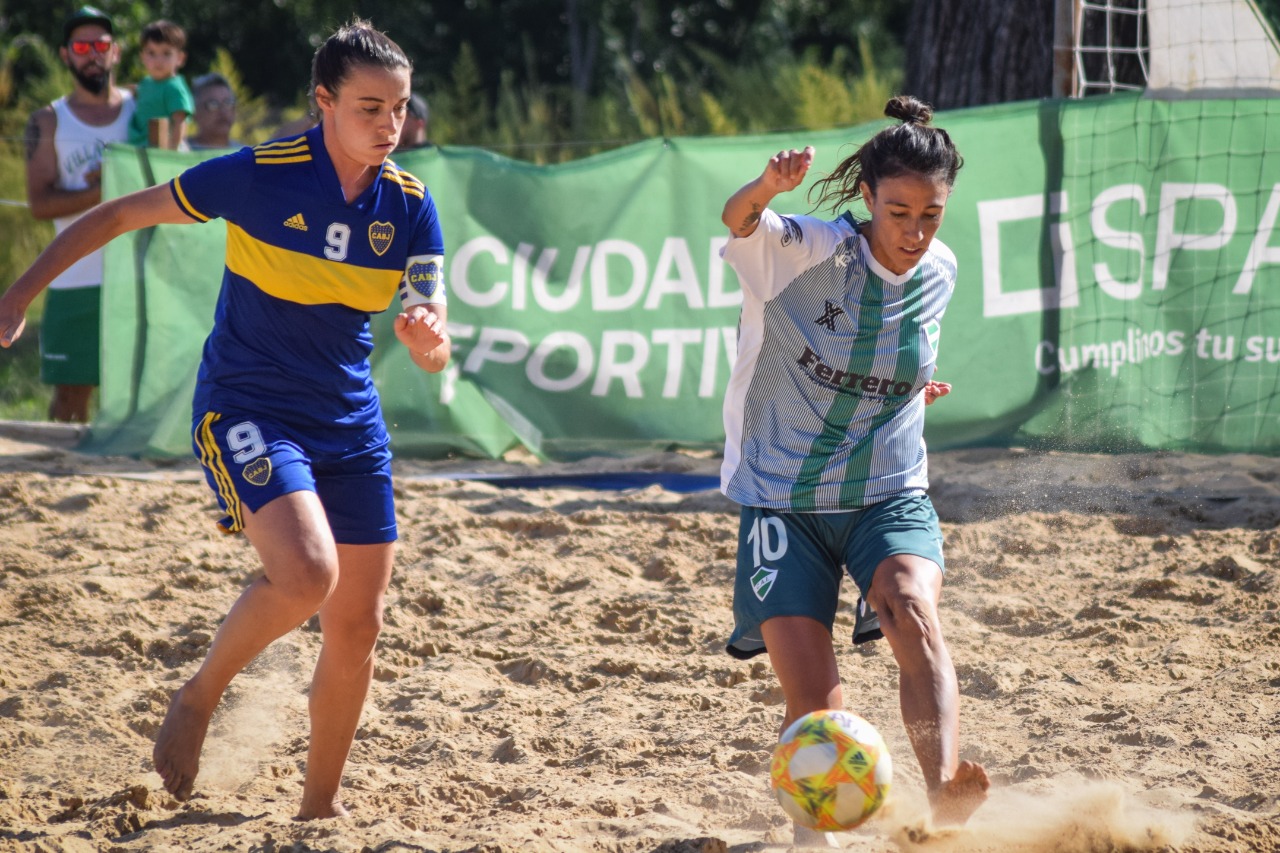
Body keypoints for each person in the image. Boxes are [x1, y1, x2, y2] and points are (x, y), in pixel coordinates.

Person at [0, 19, 448, 820]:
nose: (390, 126)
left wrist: (426, 341)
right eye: (370, 107)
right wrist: (15, 295)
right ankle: (200, 694)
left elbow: (430, 327)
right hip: (248, 401)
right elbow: (113, 218)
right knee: (309, 574)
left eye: (400, 109)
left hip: (349, 419)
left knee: (360, 624)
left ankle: (319, 807)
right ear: (323, 103)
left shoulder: (411, 206)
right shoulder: (259, 174)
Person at [717, 95, 988, 843]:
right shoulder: (808, 250)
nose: (915, 231)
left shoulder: (942, 271)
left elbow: (893, 351)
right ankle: (815, 834)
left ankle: (944, 800)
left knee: (912, 607)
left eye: (931, 214)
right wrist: (766, 190)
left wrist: (913, 383)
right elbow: (737, 221)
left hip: (886, 490)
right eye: (899, 212)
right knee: (816, 705)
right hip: (781, 498)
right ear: (867, 198)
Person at [23, 4, 136, 423]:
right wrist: (102, 190)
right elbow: (39, 204)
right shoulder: (48, 121)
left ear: (116, 52)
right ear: (65, 54)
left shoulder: (141, 109)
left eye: (101, 44)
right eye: (82, 45)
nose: (93, 53)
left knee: (136, 400)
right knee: (71, 399)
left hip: (137, 278)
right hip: (74, 277)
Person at [127, 19, 195, 149]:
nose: (159, 60)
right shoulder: (146, 83)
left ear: (180, 58)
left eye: (166, 53)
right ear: (142, 57)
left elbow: (179, 122)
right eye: (151, 53)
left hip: (163, 153)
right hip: (143, 151)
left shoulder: (174, 88)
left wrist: (170, 155)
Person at [187, 72, 239, 150]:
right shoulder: (180, 152)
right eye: (213, 104)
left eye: (228, 103)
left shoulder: (246, 156)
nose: (223, 111)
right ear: (195, 112)